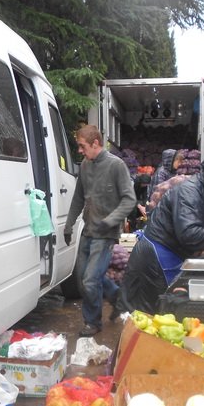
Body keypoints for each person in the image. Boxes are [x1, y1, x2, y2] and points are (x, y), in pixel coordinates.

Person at [118, 145, 204, 313]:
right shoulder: (190, 192)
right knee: (153, 318)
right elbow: (189, 234)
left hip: (172, 256)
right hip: (156, 259)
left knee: (164, 317)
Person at [64, 125, 136, 337]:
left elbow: (129, 199)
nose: (80, 150)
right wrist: (69, 225)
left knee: (90, 280)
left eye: (82, 146)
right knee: (85, 278)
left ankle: (93, 322)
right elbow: (78, 198)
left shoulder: (116, 166)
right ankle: (119, 299)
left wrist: (111, 220)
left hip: (105, 234)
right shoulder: (85, 166)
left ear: (95, 144)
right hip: (89, 230)